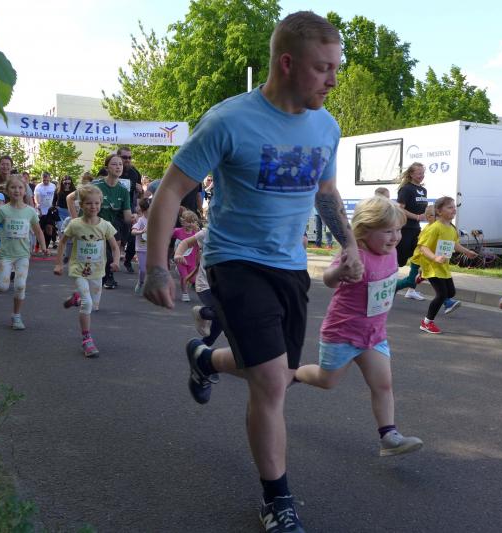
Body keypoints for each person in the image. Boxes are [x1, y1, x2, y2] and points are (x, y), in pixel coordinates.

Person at [143, 12, 361, 532]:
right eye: (323, 68)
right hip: (235, 261)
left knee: (279, 373)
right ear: (287, 63)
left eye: (336, 68)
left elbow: (326, 192)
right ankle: (276, 500)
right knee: (270, 379)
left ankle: (205, 358)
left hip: (290, 267)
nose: (333, 80)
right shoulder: (228, 121)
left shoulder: (326, 126)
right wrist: (155, 268)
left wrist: (349, 244)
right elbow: (170, 190)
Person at [294, 196, 422, 455]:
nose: (395, 237)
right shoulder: (355, 255)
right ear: (364, 230)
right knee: (326, 381)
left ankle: (389, 436)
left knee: (383, 384)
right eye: (388, 231)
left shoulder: (392, 252)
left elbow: (385, 284)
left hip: (374, 335)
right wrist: (339, 272)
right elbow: (329, 280)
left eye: (398, 230)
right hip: (342, 333)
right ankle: (293, 375)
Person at [54, 185, 119, 356]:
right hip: (78, 269)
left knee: (93, 305)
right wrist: (59, 264)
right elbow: (62, 242)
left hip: (97, 271)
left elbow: (114, 246)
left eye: (96, 203)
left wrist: (116, 261)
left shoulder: (105, 225)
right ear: (81, 205)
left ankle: (76, 298)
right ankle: (86, 339)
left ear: (101, 204)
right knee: (87, 304)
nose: (93, 206)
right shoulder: (75, 224)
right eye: (89, 203)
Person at [0, 176, 47, 330]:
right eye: (13, 187)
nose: (17, 191)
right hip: (5, 254)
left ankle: (16, 316)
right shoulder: (3, 210)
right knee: (2, 287)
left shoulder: (30, 211)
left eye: (20, 187)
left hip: (23, 255)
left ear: (25, 190)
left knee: (20, 286)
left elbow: (38, 231)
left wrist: (44, 247)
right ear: (7, 191)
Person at [409, 197, 477, 334]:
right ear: (439, 211)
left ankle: (422, 276)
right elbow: (423, 247)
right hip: (431, 265)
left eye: (454, 207)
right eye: (450, 207)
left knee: (451, 293)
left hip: (443, 265)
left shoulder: (452, 229)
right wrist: (435, 257)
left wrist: (467, 252)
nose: (454, 209)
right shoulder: (434, 228)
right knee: (442, 295)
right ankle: (427, 323)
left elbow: (454, 244)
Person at [176, 226, 224, 348]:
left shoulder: (241, 234)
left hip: (224, 286)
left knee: (222, 319)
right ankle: (201, 312)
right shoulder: (209, 232)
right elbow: (186, 242)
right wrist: (178, 254)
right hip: (205, 284)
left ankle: (202, 347)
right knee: (222, 312)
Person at [94, 154, 132, 290]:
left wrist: (139, 217)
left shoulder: (123, 190)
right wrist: (77, 221)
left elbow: (127, 217)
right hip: (94, 225)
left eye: (120, 164)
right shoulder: (96, 186)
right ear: (107, 168)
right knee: (101, 255)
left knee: (110, 252)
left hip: (111, 226)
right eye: (114, 164)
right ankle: (104, 277)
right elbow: (70, 198)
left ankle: (108, 276)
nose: (118, 167)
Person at [395, 162, 429, 300]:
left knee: (418, 256)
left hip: (416, 229)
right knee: (399, 260)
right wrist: (416, 217)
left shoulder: (423, 190)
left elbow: (423, 209)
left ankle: (411, 289)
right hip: (404, 229)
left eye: (423, 173)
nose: (422, 175)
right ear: (411, 174)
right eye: (419, 173)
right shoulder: (406, 189)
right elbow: (400, 208)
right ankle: (387, 284)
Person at [117, 146, 142, 273]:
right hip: (114, 208)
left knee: (132, 236)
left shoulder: (134, 173)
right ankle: (110, 268)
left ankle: (128, 260)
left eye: (129, 157)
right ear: (118, 157)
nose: (127, 160)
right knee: (114, 237)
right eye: (124, 157)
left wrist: (138, 205)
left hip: (129, 208)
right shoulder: (109, 170)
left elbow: (140, 192)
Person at [172, 209, 201, 302]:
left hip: (192, 261)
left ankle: (182, 275)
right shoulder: (178, 231)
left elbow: (200, 246)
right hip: (180, 260)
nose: (189, 224)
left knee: (192, 280)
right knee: (184, 276)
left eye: (192, 222)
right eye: (187, 221)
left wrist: (198, 260)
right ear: (182, 221)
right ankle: (185, 293)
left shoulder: (196, 234)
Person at [131, 197, 151, 294]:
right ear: (145, 209)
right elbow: (133, 232)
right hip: (141, 249)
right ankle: (141, 282)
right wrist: (142, 231)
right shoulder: (140, 220)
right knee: (143, 270)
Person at [34, 171, 57, 248]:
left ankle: (46, 246)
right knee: (41, 229)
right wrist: (37, 204)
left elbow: (55, 196)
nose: (46, 182)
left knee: (50, 229)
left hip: (50, 211)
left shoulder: (53, 186)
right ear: (42, 178)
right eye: (44, 180)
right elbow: (36, 197)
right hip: (41, 211)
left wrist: (55, 206)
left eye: (47, 180)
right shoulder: (38, 187)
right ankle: (38, 244)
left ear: (49, 178)